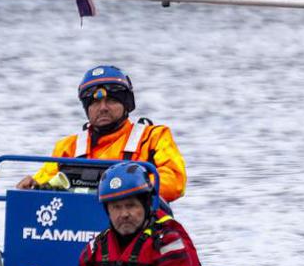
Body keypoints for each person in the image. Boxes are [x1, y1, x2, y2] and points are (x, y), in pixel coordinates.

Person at [16, 65, 187, 202]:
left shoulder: (153, 137)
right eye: (95, 102)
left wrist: (126, 188)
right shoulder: (68, 147)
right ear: (87, 108)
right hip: (75, 227)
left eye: (111, 101)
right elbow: (43, 183)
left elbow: (175, 182)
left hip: (135, 230)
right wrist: (31, 188)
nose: (103, 108)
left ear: (126, 104)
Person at [65, 161, 204, 266]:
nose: (124, 214)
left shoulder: (167, 245)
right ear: (107, 211)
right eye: (116, 207)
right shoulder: (95, 249)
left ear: (146, 205)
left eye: (130, 205)